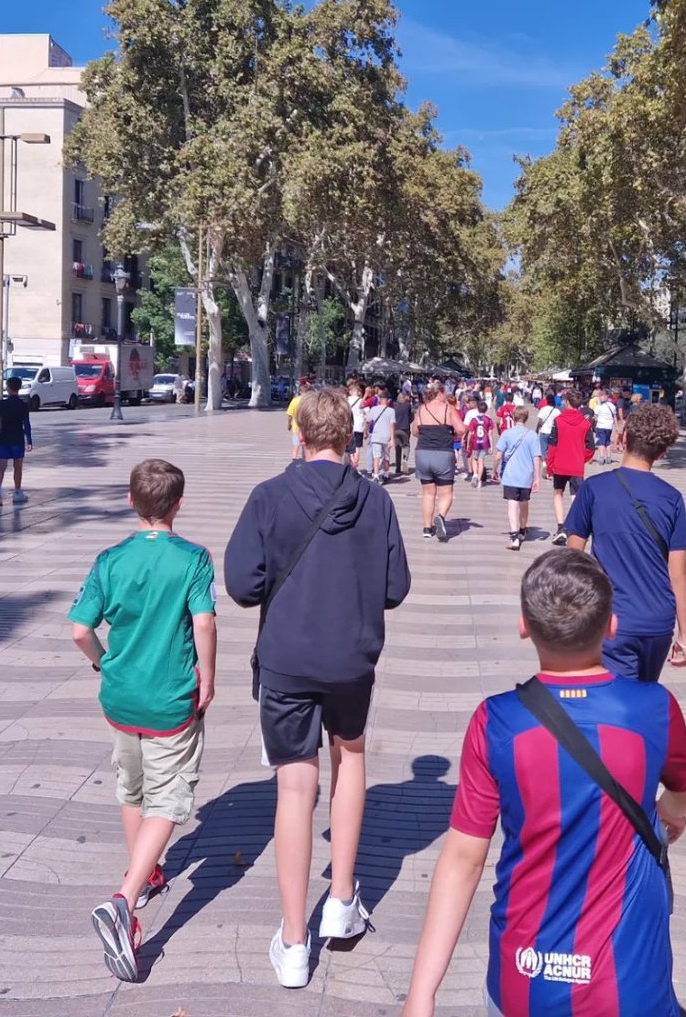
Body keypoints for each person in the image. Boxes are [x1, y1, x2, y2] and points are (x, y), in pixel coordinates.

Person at [400, 549, 686, 1017]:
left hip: (524, 977)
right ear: (611, 626)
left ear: (524, 625)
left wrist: (421, 994)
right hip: (629, 986)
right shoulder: (654, 707)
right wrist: (667, 814)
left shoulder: (496, 721)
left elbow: (463, 858)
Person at [224, 388, 410, 989]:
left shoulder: (269, 496)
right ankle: (343, 900)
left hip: (287, 661)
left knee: (294, 786)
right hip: (352, 658)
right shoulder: (376, 500)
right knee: (349, 758)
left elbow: (244, 586)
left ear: (299, 436)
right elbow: (396, 587)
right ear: (351, 438)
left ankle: (295, 941)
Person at [70, 459, 218, 982]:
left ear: (132, 502)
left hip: (120, 695)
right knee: (170, 798)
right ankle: (124, 903)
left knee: (131, 787)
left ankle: (145, 870)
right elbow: (202, 622)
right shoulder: (193, 559)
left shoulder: (109, 560)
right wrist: (208, 675)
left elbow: (79, 629)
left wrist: (101, 660)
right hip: (169, 697)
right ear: (178, 505)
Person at [566, 403, 686, 680]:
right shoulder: (672, 498)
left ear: (623, 438)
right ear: (663, 452)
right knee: (642, 699)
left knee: (614, 707)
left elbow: (573, 558)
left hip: (612, 619)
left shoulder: (593, 489)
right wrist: (685, 635)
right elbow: (678, 573)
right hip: (658, 622)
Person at [412, 382, 468, 542]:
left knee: (428, 493)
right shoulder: (447, 409)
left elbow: (415, 431)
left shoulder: (422, 409)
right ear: (441, 393)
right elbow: (461, 429)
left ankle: (427, 528)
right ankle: (441, 517)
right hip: (443, 454)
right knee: (446, 493)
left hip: (422, 453)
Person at [545, 389, 594, 545]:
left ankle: (560, 527)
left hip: (560, 464)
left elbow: (552, 445)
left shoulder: (558, 421)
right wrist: (582, 458)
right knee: (576, 496)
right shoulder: (586, 423)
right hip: (576, 465)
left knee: (558, 493)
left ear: (566, 402)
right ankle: (569, 526)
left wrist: (550, 465)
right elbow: (591, 447)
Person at [494, 405, 541, 551]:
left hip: (511, 475)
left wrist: (494, 470)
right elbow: (537, 458)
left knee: (512, 504)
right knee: (524, 503)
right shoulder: (532, 435)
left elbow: (498, 455)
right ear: (526, 418)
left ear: (513, 417)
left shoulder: (507, 434)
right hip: (526, 475)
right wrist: (537, 478)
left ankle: (514, 537)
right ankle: (522, 529)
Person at [0, 375, 32, 506]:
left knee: (2, 465)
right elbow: (26, 423)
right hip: (18, 438)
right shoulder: (23, 405)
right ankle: (17, 492)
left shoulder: (1, 404)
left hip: (4, 437)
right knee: (18, 466)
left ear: (7, 388)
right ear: (19, 388)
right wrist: (29, 441)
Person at [367, 389, 395, 484]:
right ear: (388, 400)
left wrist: (366, 432)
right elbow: (392, 425)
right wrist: (392, 439)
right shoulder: (391, 411)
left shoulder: (374, 409)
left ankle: (376, 475)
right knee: (386, 457)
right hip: (386, 437)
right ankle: (386, 474)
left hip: (376, 436)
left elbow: (368, 420)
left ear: (379, 399)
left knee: (376, 456)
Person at [467, 401, 496, 488]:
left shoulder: (474, 420)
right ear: (486, 410)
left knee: (474, 459)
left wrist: (468, 443)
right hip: (485, 442)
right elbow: (490, 433)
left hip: (476, 442)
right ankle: (479, 481)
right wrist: (491, 445)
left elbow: (470, 433)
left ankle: (475, 474)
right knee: (481, 460)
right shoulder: (489, 420)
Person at [593, 389, 618, 465]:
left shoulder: (599, 407)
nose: (599, 398)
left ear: (604, 396)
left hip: (601, 426)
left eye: (600, 396)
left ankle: (601, 457)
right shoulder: (612, 406)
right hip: (609, 426)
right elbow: (614, 417)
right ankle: (609, 457)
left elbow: (596, 417)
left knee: (601, 442)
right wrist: (616, 426)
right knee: (607, 441)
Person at [287, 380, 311, 461]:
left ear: (300, 391)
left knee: (296, 445)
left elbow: (290, 414)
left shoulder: (295, 400)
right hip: (308, 427)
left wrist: (289, 424)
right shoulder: (310, 401)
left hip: (296, 427)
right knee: (305, 446)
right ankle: (305, 460)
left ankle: (294, 459)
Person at [392, 389, 413, 476]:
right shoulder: (407, 405)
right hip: (405, 428)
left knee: (397, 448)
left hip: (396, 429)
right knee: (406, 445)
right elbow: (412, 416)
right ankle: (405, 459)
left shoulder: (394, 406)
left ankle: (397, 468)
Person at [347, 383, 366, 470]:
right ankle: (355, 466)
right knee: (357, 447)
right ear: (358, 392)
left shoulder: (346, 400)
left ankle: (350, 464)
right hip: (359, 426)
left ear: (350, 392)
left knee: (349, 447)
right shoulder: (361, 401)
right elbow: (367, 412)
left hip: (349, 426)